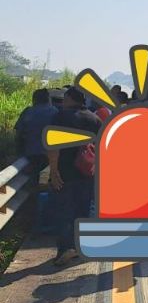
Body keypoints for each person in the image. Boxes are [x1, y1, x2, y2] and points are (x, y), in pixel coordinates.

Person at [47, 87, 102, 265]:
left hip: (66, 172)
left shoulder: (60, 117)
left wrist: (53, 172)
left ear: (69, 98)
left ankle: (65, 249)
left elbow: (53, 147)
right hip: (87, 173)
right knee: (83, 210)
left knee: (64, 212)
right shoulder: (94, 118)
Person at [14, 88, 59, 186]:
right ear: (48, 99)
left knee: (29, 182)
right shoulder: (56, 112)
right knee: (44, 183)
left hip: (30, 155)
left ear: (34, 99)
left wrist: (18, 153)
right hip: (49, 156)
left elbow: (18, 133)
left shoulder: (28, 111)